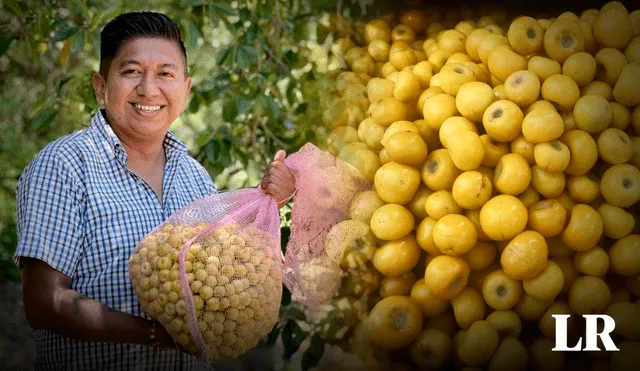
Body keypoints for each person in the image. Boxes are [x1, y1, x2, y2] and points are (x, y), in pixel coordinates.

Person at [14, 11, 296, 371]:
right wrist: (151, 333)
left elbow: (223, 271)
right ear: (101, 86)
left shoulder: (194, 176)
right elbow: (44, 303)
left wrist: (271, 199)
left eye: (165, 73)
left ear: (186, 88)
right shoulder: (64, 166)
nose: (149, 89)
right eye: (131, 71)